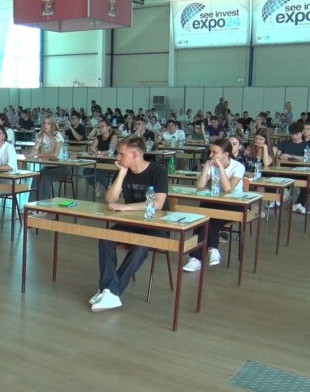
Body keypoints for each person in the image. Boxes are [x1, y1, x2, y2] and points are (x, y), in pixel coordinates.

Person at [89, 136, 168, 312]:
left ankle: (111, 291)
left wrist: (125, 207)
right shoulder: (123, 171)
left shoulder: (158, 171)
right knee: (106, 239)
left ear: (134, 155)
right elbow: (109, 199)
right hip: (132, 223)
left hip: (156, 226)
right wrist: (122, 174)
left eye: (121, 154)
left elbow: (157, 204)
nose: (117, 157)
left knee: (140, 245)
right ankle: (109, 291)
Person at [182, 138, 245, 272]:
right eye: (210, 152)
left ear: (225, 154)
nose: (211, 155)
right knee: (202, 218)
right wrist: (206, 167)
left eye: (214, 152)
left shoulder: (238, 167)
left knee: (210, 218)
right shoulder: (211, 164)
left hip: (234, 204)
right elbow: (200, 186)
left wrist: (221, 168)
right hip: (215, 203)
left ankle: (201, 255)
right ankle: (210, 251)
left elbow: (228, 189)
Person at [28, 114, 68, 203]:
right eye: (44, 123)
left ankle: (43, 204)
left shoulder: (57, 135)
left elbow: (55, 154)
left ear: (52, 125)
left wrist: (39, 155)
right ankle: (31, 204)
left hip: (61, 167)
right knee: (36, 177)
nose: (46, 125)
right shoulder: (41, 135)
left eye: (48, 123)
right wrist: (30, 154)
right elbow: (35, 149)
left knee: (46, 177)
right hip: (48, 167)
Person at [275, 122, 309, 214]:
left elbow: (307, 158)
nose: (294, 136)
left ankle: (299, 204)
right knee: (274, 178)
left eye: (296, 134)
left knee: (307, 183)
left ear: (302, 132)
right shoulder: (284, 143)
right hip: (284, 171)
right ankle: (277, 199)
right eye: (292, 134)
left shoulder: (306, 145)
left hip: (301, 173)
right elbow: (277, 155)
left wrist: (292, 156)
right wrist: (280, 156)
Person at [85, 120, 118, 197]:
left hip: (110, 162)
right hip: (99, 161)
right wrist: (97, 152)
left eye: (102, 126)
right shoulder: (98, 137)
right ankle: (95, 186)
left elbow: (111, 150)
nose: (100, 129)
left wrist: (99, 152)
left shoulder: (113, 136)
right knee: (86, 171)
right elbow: (91, 148)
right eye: (99, 127)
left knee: (97, 172)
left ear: (108, 127)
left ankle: (109, 188)